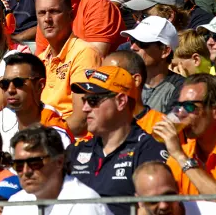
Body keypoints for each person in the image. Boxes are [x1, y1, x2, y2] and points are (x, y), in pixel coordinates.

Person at [65, 65, 167, 213]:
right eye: (84, 100)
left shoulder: (148, 150)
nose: (85, 108)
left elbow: (154, 209)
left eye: (93, 100)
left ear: (121, 101)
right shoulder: (76, 150)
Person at [36, 0, 102, 134]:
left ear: (71, 16)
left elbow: (81, 120)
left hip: (72, 144)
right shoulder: (39, 61)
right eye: (41, 13)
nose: (47, 19)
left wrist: (39, 139)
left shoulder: (85, 53)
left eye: (54, 12)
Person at [5, 125, 113, 215]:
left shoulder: (85, 203)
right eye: (18, 165)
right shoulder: (15, 203)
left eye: (34, 163)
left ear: (59, 162)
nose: (26, 171)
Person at [121, 16, 184, 114]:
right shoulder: (125, 80)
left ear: (165, 51)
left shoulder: (182, 89)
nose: (133, 47)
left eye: (142, 43)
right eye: (133, 41)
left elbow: (168, 127)